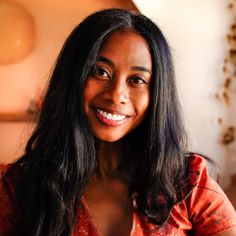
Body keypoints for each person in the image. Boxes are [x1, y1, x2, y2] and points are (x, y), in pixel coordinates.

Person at [0, 8, 236, 236]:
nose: (116, 94)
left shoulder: (188, 184)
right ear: (73, 77)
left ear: (157, 94)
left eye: (137, 79)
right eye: (100, 72)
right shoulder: (18, 188)